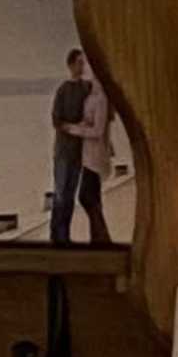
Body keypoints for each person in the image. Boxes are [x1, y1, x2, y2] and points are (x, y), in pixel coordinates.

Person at [48, 40, 113, 245]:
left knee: (74, 195)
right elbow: (56, 120)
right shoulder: (64, 90)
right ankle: (58, 237)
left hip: (79, 153)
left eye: (83, 63)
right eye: (78, 63)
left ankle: (68, 237)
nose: (82, 67)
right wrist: (72, 127)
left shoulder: (87, 88)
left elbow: (101, 113)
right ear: (70, 65)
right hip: (64, 151)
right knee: (61, 195)